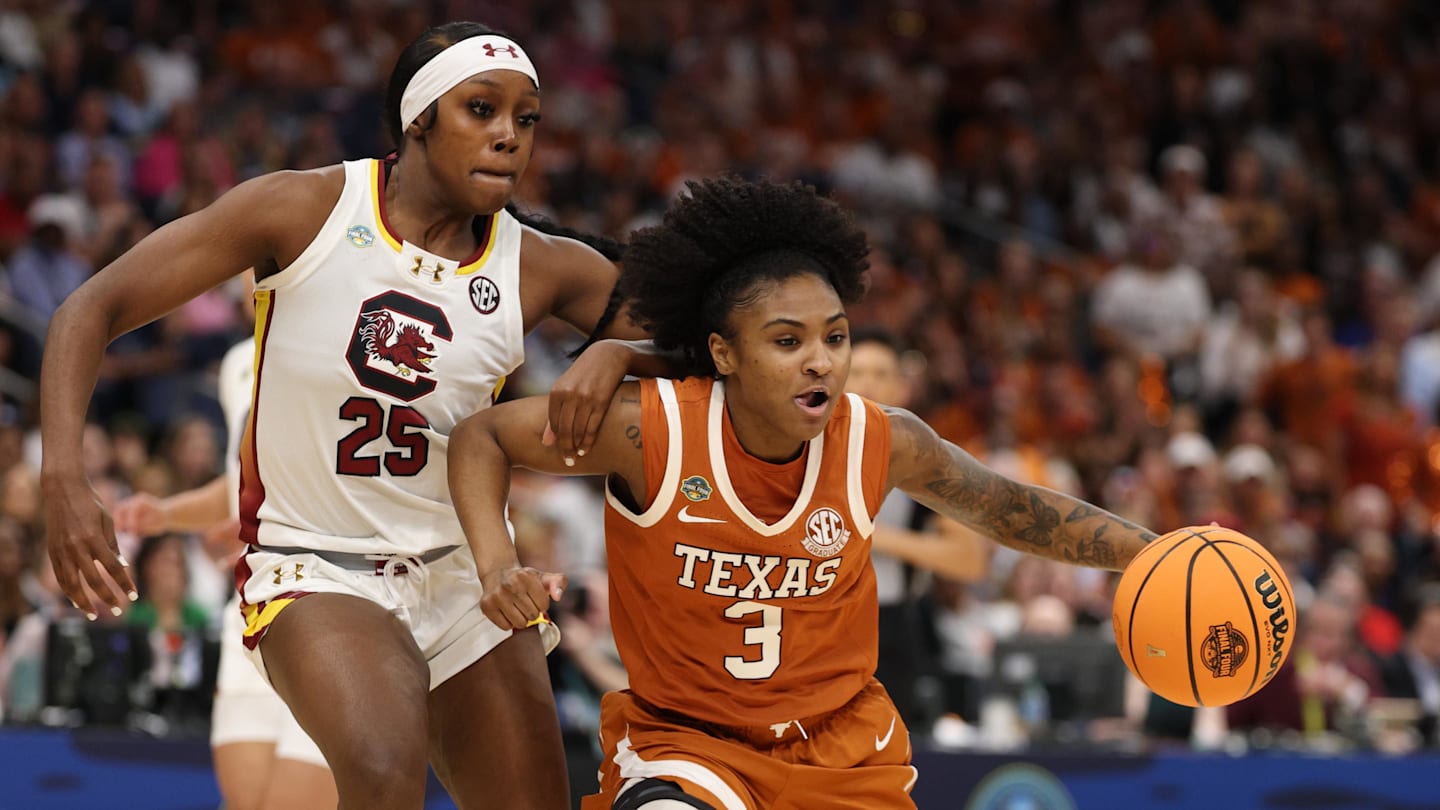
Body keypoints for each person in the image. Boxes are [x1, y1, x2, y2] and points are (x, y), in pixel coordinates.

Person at [42, 22, 655, 810]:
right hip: (316, 564)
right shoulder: (304, 208)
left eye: (526, 119)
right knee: (379, 768)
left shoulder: (540, 265)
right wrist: (62, 472)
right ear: (419, 120)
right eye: (482, 109)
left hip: (465, 575)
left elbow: (696, 345)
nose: (509, 136)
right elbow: (90, 308)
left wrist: (619, 354)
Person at [448, 177, 1159, 809]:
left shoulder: (884, 439)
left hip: (843, 752)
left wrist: (1155, 552)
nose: (820, 360)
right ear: (725, 353)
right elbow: (481, 438)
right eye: (787, 342)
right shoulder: (650, 428)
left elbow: (1008, 508)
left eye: (836, 337)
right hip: (693, 748)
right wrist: (494, 563)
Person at [112, 300, 338, 810]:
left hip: (332, 603)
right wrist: (167, 514)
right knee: (242, 802)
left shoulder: (353, 339)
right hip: (250, 610)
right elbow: (241, 480)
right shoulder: (239, 360)